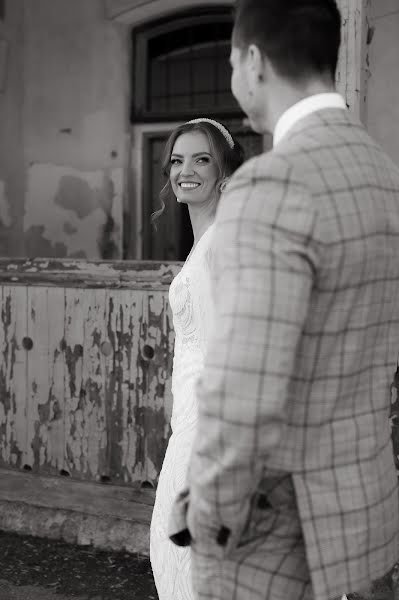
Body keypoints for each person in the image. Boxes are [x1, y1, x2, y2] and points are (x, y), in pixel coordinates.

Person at [169, 1, 399, 600]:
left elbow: (244, 385)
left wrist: (206, 519)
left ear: (252, 62)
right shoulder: (385, 176)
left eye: (228, 61)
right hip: (362, 509)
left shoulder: (272, 185)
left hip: (271, 534)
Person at [149, 119, 244, 600]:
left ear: (224, 173)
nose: (185, 170)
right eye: (177, 160)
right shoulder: (205, 243)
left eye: (201, 159)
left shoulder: (221, 248)